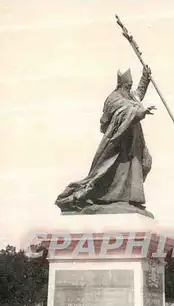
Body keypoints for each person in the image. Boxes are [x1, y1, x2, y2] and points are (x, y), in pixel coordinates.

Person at [56, 66, 156, 214]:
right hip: (118, 143)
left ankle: (127, 199)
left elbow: (138, 95)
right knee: (110, 171)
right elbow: (125, 111)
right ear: (121, 85)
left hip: (133, 142)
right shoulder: (114, 98)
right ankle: (100, 198)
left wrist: (145, 78)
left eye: (131, 85)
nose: (130, 88)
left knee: (143, 164)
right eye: (128, 85)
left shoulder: (129, 95)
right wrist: (140, 112)